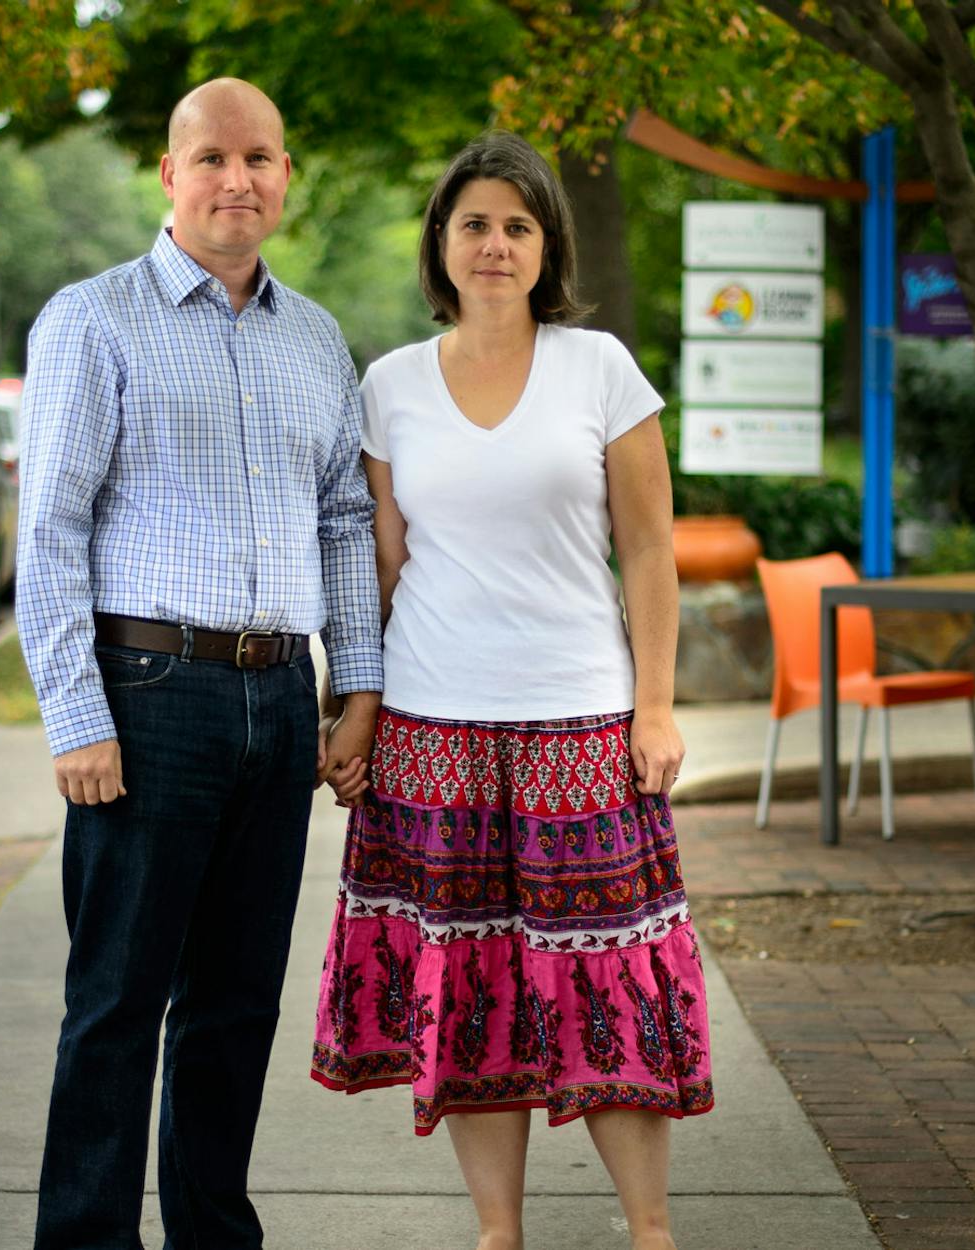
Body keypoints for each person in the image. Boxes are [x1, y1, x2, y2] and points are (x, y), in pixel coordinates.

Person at [309, 130, 709, 1250]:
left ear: (547, 248)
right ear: (442, 240)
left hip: (581, 724)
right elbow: (378, 566)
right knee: (472, 981)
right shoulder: (387, 385)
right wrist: (359, 705)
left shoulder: (601, 370)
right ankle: (499, 1231)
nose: (494, 244)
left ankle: (651, 1226)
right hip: (433, 730)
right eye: (475, 222)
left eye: (517, 226)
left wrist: (657, 702)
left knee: (612, 979)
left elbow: (650, 553)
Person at [16, 78, 383, 1250]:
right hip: (148, 695)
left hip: (279, 700)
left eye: (261, 158)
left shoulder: (318, 338)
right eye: (214, 157)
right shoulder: (93, 319)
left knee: (233, 1005)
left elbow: (342, 522)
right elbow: (51, 529)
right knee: (118, 1003)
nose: (239, 179)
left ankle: (215, 1235)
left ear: (286, 177)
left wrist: (356, 684)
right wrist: (77, 715)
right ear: (170, 176)